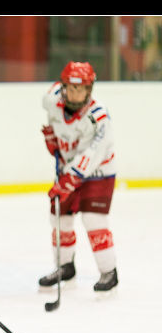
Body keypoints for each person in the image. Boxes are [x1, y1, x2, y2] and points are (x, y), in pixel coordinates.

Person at [39, 61, 119, 295]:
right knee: (59, 218)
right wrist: (53, 140)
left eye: (81, 89)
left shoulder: (98, 116)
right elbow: (57, 125)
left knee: (93, 220)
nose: (75, 94)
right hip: (68, 168)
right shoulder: (51, 100)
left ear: (89, 89)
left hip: (99, 172)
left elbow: (93, 153)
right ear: (63, 86)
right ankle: (65, 267)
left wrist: (69, 180)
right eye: (71, 88)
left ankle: (109, 272)